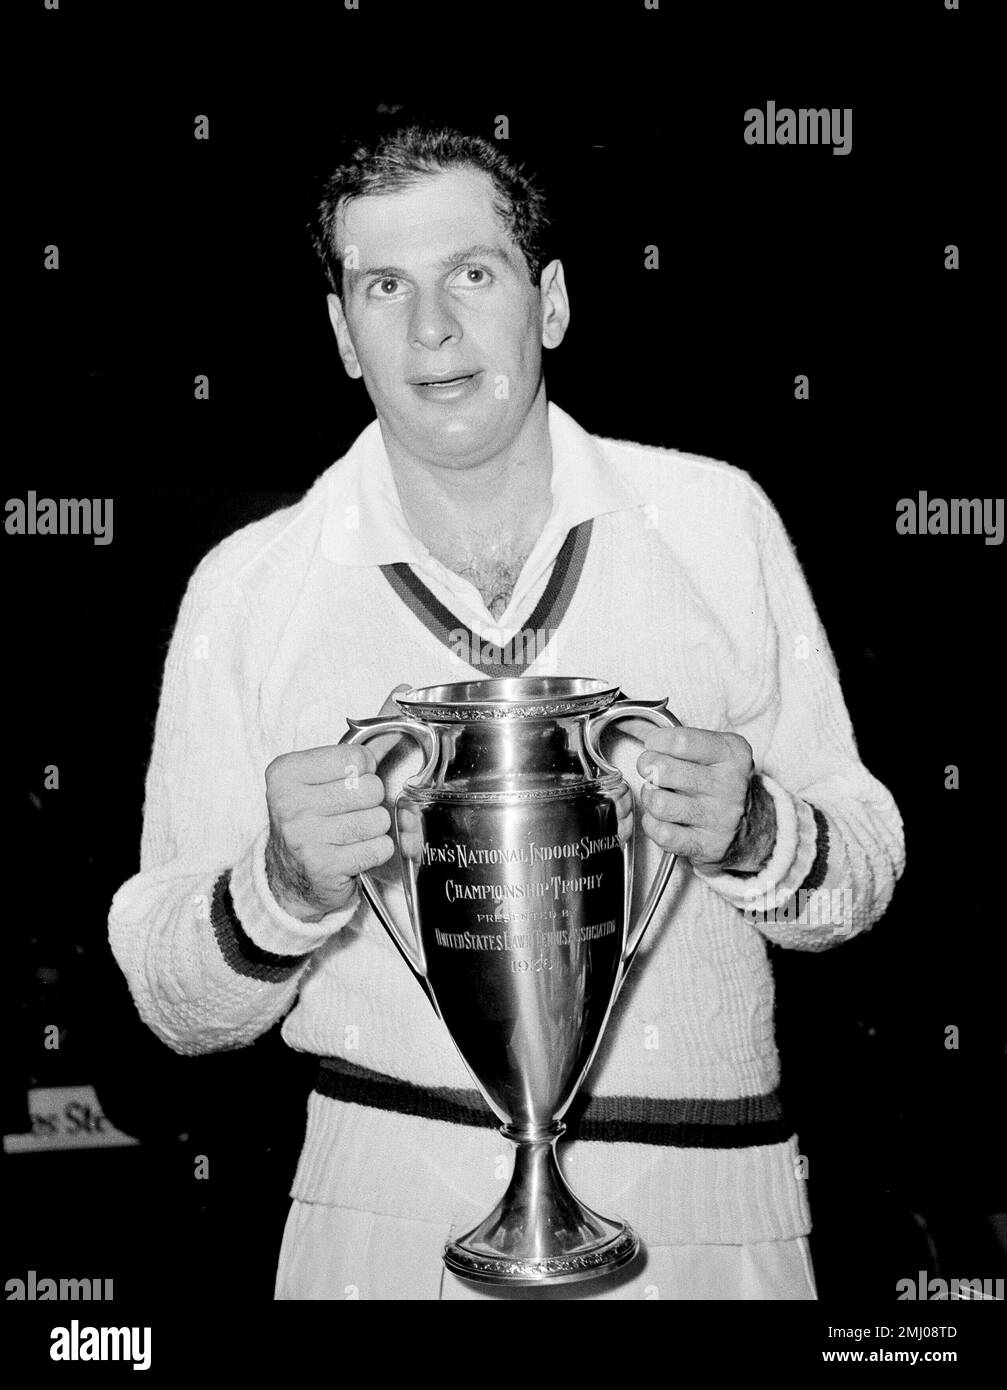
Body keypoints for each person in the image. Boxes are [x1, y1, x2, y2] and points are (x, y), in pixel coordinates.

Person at [108, 122, 905, 1300]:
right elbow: (174, 999)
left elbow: (862, 870)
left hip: (710, 1218)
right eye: (385, 285)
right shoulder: (246, 585)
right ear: (340, 331)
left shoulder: (714, 521)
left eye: (471, 274)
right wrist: (274, 889)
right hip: (378, 1215)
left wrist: (757, 833)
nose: (430, 328)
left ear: (551, 304)